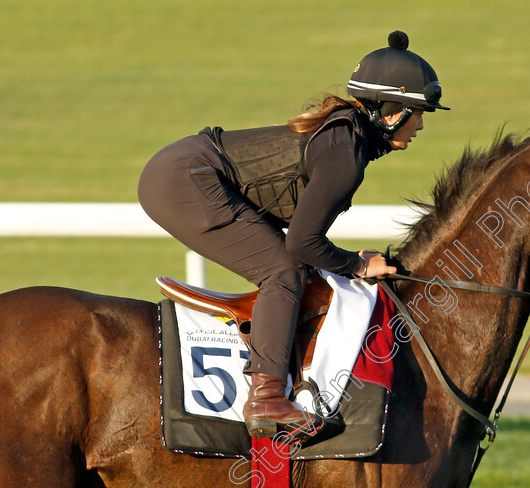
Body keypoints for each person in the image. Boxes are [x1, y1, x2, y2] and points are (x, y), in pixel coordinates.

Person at [137, 30, 448, 441]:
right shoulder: (346, 152)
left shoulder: (349, 138)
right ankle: (265, 396)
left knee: (293, 266)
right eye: (418, 112)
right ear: (391, 112)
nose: (421, 124)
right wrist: (356, 264)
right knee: (283, 271)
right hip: (184, 180)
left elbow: (305, 238)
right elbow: (301, 244)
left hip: (185, 169)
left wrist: (349, 260)